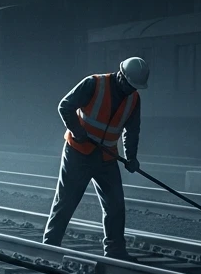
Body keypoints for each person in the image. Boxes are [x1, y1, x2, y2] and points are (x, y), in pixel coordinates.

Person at [42, 56, 149, 260]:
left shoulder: (134, 99)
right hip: (78, 153)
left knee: (115, 205)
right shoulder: (94, 84)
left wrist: (131, 157)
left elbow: (132, 130)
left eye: (135, 87)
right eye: (129, 85)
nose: (131, 90)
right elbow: (65, 106)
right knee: (66, 201)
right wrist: (77, 131)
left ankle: (115, 251)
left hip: (106, 157)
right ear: (121, 76)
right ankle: (49, 246)